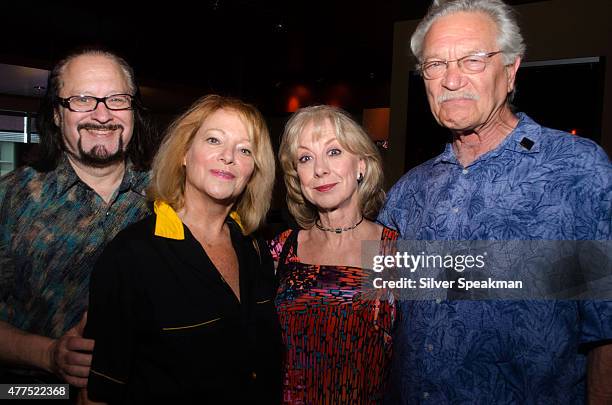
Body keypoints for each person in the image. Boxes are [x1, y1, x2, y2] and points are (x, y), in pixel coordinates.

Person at [378, 0, 612, 403]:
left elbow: (606, 328)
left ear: (510, 71)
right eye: (435, 65)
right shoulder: (408, 191)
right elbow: (383, 317)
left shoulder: (577, 170)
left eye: (472, 60)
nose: (451, 80)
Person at [83, 95, 283, 404]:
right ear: (185, 154)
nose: (228, 157)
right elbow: (99, 392)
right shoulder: (131, 257)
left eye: (245, 149)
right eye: (214, 140)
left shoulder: (259, 250)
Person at [0, 47, 154, 388]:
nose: (102, 115)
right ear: (57, 113)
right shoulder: (11, 199)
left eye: (116, 99)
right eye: (83, 99)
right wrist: (48, 354)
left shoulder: (169, 196)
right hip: (33, 391)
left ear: (132, 109)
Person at [271, 105, 398, 404]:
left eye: (334, 152)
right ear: (296, 177)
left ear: (361, 166)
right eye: (305, 158)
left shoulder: (394, 249)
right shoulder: (280, 250)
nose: (319, 169)